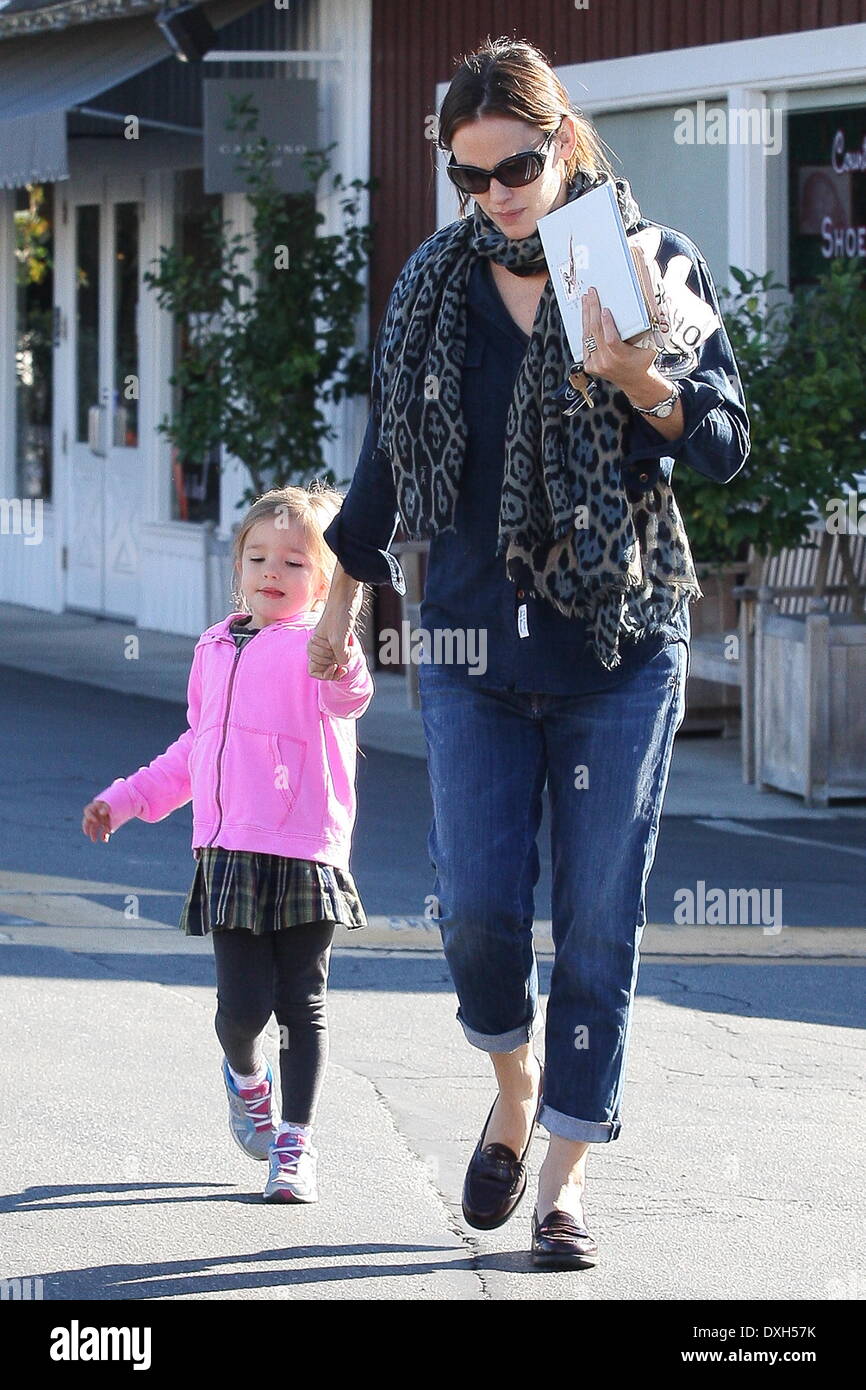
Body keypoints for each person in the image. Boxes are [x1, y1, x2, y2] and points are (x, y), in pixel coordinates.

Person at [308, 36, 750, 1268]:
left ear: (561, 143)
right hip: (461, 639)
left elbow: (721, 443)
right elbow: (389, 465)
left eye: (515, 165)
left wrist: (639, 379)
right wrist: (338, 612)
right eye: (469, 176)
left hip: (617, 645)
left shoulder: (649, 266)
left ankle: (560, 1176)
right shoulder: (431, 288)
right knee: (480, 916)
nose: (495, 193)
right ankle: (510, 1091)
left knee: (597, 921)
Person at [82, 484, 373, 1205]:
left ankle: (295, 1146)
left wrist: (342, 654)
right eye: (259, 557)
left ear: (328, 583)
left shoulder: (321, 646)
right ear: (237, 568)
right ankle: (246, 1080)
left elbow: (349, 694)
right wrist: (126, 798)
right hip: (231, 850)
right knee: (242, 1008)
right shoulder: (213, 648)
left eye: (297, 563)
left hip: (307, 849)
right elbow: (194, 748)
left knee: (303, 1003)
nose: (274, 571)